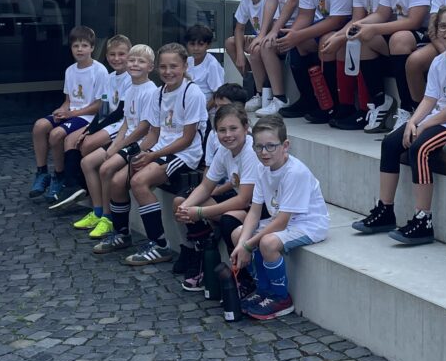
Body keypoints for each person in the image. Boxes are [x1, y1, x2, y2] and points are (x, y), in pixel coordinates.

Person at [352, 4, 446, 246]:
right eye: (443, 26)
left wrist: (424, 126)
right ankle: (385, 209)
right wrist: (414, 121)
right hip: (437, 117)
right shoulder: (438, 61)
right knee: (391, 143)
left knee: (420, 148)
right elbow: (429, 99)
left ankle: (424, 219)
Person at [106, 43, 207, 264]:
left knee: (139, 182)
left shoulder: (192, 92)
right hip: (161, 148)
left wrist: (152, 156)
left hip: (185, 154)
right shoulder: (159, 94)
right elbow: (153, 134)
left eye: (173, 66)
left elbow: (187, 139)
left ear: (184, 66)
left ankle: (160, 245)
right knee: (117, 180)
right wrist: (137, 152)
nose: (168, 72)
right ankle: (122, 234)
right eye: (163, 67)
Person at [230, 114, 330, 320]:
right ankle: (263, 290)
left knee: (267, 242)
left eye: (270, 146)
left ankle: (281, 297)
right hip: (282, 222)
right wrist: (242, 243)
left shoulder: (295, 172)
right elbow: (255, 212)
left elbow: (282, 221)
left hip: (308, 225)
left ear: (285, 146)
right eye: (259, 147)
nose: (264, 152)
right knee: (237, 234)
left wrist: (249, 245)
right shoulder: (262, 168)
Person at [345, 0, 437, 134]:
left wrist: (375, 29)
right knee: (363, 39)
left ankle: (407, 108)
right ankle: (380, 101)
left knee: (399, 39)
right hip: (406, 31)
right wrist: (358, 25)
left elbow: (414, 21)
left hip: (429, 33)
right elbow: (381, 14)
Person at [173, 101, 258, 291]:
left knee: (229, 221)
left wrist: (201, 212)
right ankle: (202, 258)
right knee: (181, 200)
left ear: (246, 128)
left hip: (259, 209)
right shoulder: (224, 151)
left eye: (233, 128)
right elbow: (205, 186)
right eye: (222, 130)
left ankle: (242, 279)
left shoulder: (251, 151)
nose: (228, 135)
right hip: (243, 205)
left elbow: (243, 199)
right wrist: (185, 207)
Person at [78, 43, 155, 239]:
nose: (135, 64)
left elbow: (143, 128)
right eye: (132, 60)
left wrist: (118, 146)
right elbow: (126, 123)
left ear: (150, 67)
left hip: (140, 143)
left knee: (105, 168)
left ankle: (108, 216)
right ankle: (98, 211)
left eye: (140, 61)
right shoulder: (130, 90)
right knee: (87, 162)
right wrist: (113, 146)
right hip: (125, 140)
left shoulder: (150, 90)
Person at [276, 0, 354, 124]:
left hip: (348, 21)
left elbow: (338, 19)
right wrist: (292, 35)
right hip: (328, 20)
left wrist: (297, 35)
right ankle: (309, 99)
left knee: (326, 41)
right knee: (299, 42)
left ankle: (331, 104)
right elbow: (305, 14)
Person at [55, 34, 131, 214]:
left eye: (121, 54)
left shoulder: (130, 78)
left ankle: (82, 186)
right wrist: (90, 129)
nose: (116, 59)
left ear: (129, 54)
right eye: (112, 55)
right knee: (78, 140)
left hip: (121, 124)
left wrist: (94, 131)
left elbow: (120, 112)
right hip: (109, 122)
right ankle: (76, 186)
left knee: (87, 144)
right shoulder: (110, 77)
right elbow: (103, 108)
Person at [33, 26, 109, 203]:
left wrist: (72, 113)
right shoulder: (70, 70)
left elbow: (99, 105)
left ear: (92, 47)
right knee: (39, 126)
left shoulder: (100, 71)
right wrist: (61, 110)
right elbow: (68, 100)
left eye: (84, 45)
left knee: (56, 134)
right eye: (76, 46)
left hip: (86, 116)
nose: (80, 49)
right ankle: (41, 172)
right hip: (72, 114)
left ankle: (59, 177)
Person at [320, 0, 385, 129]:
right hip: (371, 30)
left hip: (388, 34)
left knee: (357, 40)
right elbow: (357, 18)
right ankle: (346, 105)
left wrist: (342, 37)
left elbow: (378, 18)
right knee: (339, 42)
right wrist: (337, 37)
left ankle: (366, 108)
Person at [247, 0, 302, 116]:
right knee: (256, 49)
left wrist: (274, 31)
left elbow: (292, 1)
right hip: (286, 24)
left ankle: (279, 97)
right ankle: (263, 95)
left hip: (300, 23)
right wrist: (262, 33)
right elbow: (271, 2)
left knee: (267, 46)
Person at [227, 0, 268, 93]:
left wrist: (259, 40)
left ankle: (261, 93)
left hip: (270, 36)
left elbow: (274, 26)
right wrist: (240, 54)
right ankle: (250, 82)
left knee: (255, 49)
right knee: (230, 43)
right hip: (257, 37)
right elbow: (239, 28)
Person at [185, 23, 224, 101]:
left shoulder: (212, 64)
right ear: (187, 45)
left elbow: (218, 93)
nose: (196, 48)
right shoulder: (186, 61)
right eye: (192, 44)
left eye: (200, 44)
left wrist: (203, 110)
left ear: (208, 45)